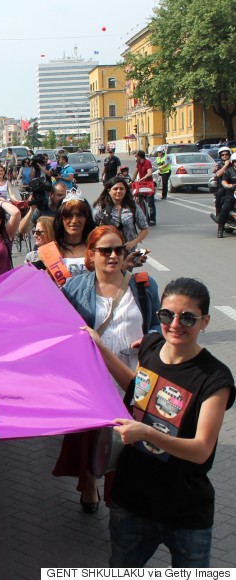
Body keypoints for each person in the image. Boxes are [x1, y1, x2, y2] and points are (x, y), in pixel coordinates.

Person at [85, 278, 234, 567]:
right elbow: (137, 389)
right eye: (167, 315)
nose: (175, 324)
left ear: (205, 321)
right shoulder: (151, 346)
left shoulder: (215, 378)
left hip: (185, 511)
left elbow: (201, 449)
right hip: (131, 500)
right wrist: (101, 349)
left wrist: (146, 433)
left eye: (188, 317)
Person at [53, 226, 161, 514]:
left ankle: (119, 499)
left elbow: (156, 326)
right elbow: (59, 328)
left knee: (124, 440)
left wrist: (150, 339)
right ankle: (89, 486)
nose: (113, 256)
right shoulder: (75, 288)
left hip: (131, 377)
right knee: (91, 437)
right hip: (93, 380)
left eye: (119, 250)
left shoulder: (143, 284)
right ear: (91, 254)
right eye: (105, 251)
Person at [92, 177, 149, 249]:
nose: (118, 191)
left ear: (125, 190)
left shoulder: (133, 206)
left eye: (121, 189)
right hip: (107, 252)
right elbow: (92, 228)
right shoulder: (100, 208)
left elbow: (145, 229)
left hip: (128, 252)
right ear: (109, 190)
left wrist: (133, 243)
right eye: (115, 189)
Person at [52, 191, 97, 279]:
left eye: (79, 215)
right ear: (61, 219)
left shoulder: (95, 248)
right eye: (69, 216)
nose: (74, 220)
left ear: (86, 219)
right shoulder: (52, 249)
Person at [211, 147, 235, 238]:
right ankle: (220, 226)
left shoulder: (232, 167)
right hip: (228, 189)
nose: (225, 156)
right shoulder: (225, 168)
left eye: (226, 154)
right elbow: (219, 176)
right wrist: (225, 165)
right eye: (223, 155)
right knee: (224, 203)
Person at [133, 150, 156, 225]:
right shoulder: (138, 163)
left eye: (136, 156)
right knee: (139, 199)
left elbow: (149, 172)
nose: (135, 157)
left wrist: (144, 177)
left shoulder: (147, 162)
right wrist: (131, 180)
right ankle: (145, 217)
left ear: (139, 156)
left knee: (150, 203)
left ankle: (153, 219)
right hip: (141, 184)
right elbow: (136, 172)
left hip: (148, 184)